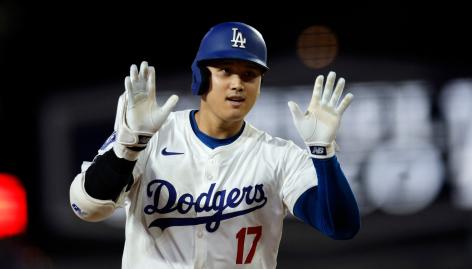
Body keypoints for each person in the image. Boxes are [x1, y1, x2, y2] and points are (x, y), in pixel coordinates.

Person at [69, 21, 360, 269]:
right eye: (225, 70)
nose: (237, 84)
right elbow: (87, 208)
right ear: (201, 76)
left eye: (249, 75)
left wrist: (323, 152)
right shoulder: (153, 135)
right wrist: (129, 145)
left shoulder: (279, 156)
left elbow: (340, 227)